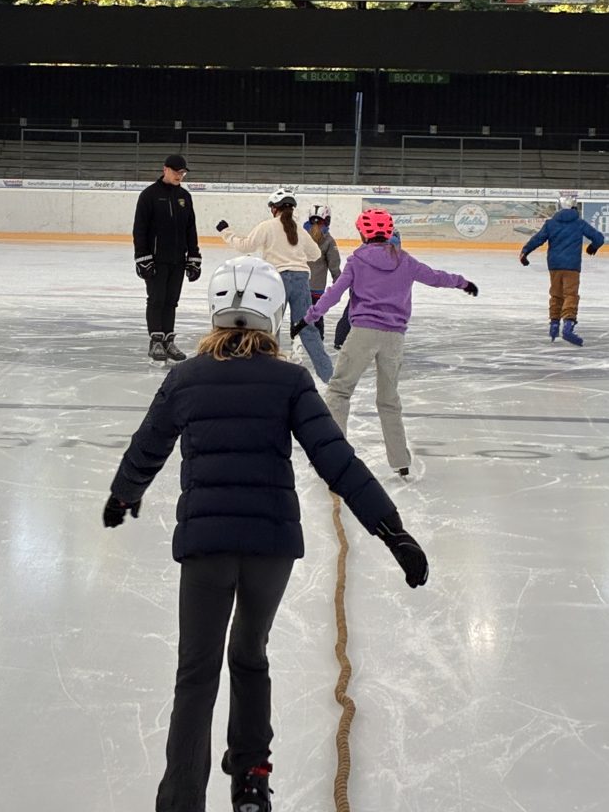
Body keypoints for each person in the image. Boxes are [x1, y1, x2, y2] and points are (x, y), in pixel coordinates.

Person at [102, 256, 429, 812]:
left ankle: (181, 797)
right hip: (270, 549)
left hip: (205, 548)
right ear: (274, 315)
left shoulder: (185, 378)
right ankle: (251, 776)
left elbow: (147, 448)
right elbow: (338, 461)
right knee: (250, 654)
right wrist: (392, 531)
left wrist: (124, 494)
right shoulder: (291, 380)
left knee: (196, 673)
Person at [293, 209, 478, 477]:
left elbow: (334, 294)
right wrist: (462, 283)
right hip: (394, 337)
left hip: (364, 333)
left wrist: (309, 317)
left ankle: (332, 455)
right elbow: (435, 276)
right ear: (388, 232)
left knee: (339, 392)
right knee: (389, 399)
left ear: (363, 233)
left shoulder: (357, 261)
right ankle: (401, 461)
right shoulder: (403, 259)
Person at [215, 189, 333, 383]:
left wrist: (226, 232)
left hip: (276, 281)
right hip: (302, 280)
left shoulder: (267, 226)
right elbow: (315, 255)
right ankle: (329, 377)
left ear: (274, 209)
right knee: (307, 329)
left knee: (271, 328)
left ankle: (269, 375)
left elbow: (245, 246)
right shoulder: (299, 230)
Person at [133, 153, 201, 363]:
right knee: (156, 299)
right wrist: (143, 258)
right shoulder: (149, 195)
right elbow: (140, 230)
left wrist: (194, 257)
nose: (180, 176)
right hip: (155, 259)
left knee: (172, 301)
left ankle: (168, 340)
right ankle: (156, 341)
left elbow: (191, 229)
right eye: (176, 172)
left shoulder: (185, 197)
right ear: (165, 170)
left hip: (177, 260)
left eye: (183, 172)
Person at [519, 195, 604, 346]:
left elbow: (538, 239)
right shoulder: (579, 223)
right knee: (570, 294)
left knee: (556, 295)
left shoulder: (551, 224)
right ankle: (568, 326)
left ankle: (554, 325)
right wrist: (593, 247)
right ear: (574, 207)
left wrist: (525, 252)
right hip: (572, 266)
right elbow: (599, 238)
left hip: (554, 265)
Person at [305, 204, 341, 339]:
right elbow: (334, 265)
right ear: (327, 220)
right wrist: (339, 282)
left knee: (300, 313)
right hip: (316, 288)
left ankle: (297, 336)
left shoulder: (300, 236)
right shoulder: (329, 241)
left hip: (299, 284)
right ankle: (317, 339)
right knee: (316, 315)